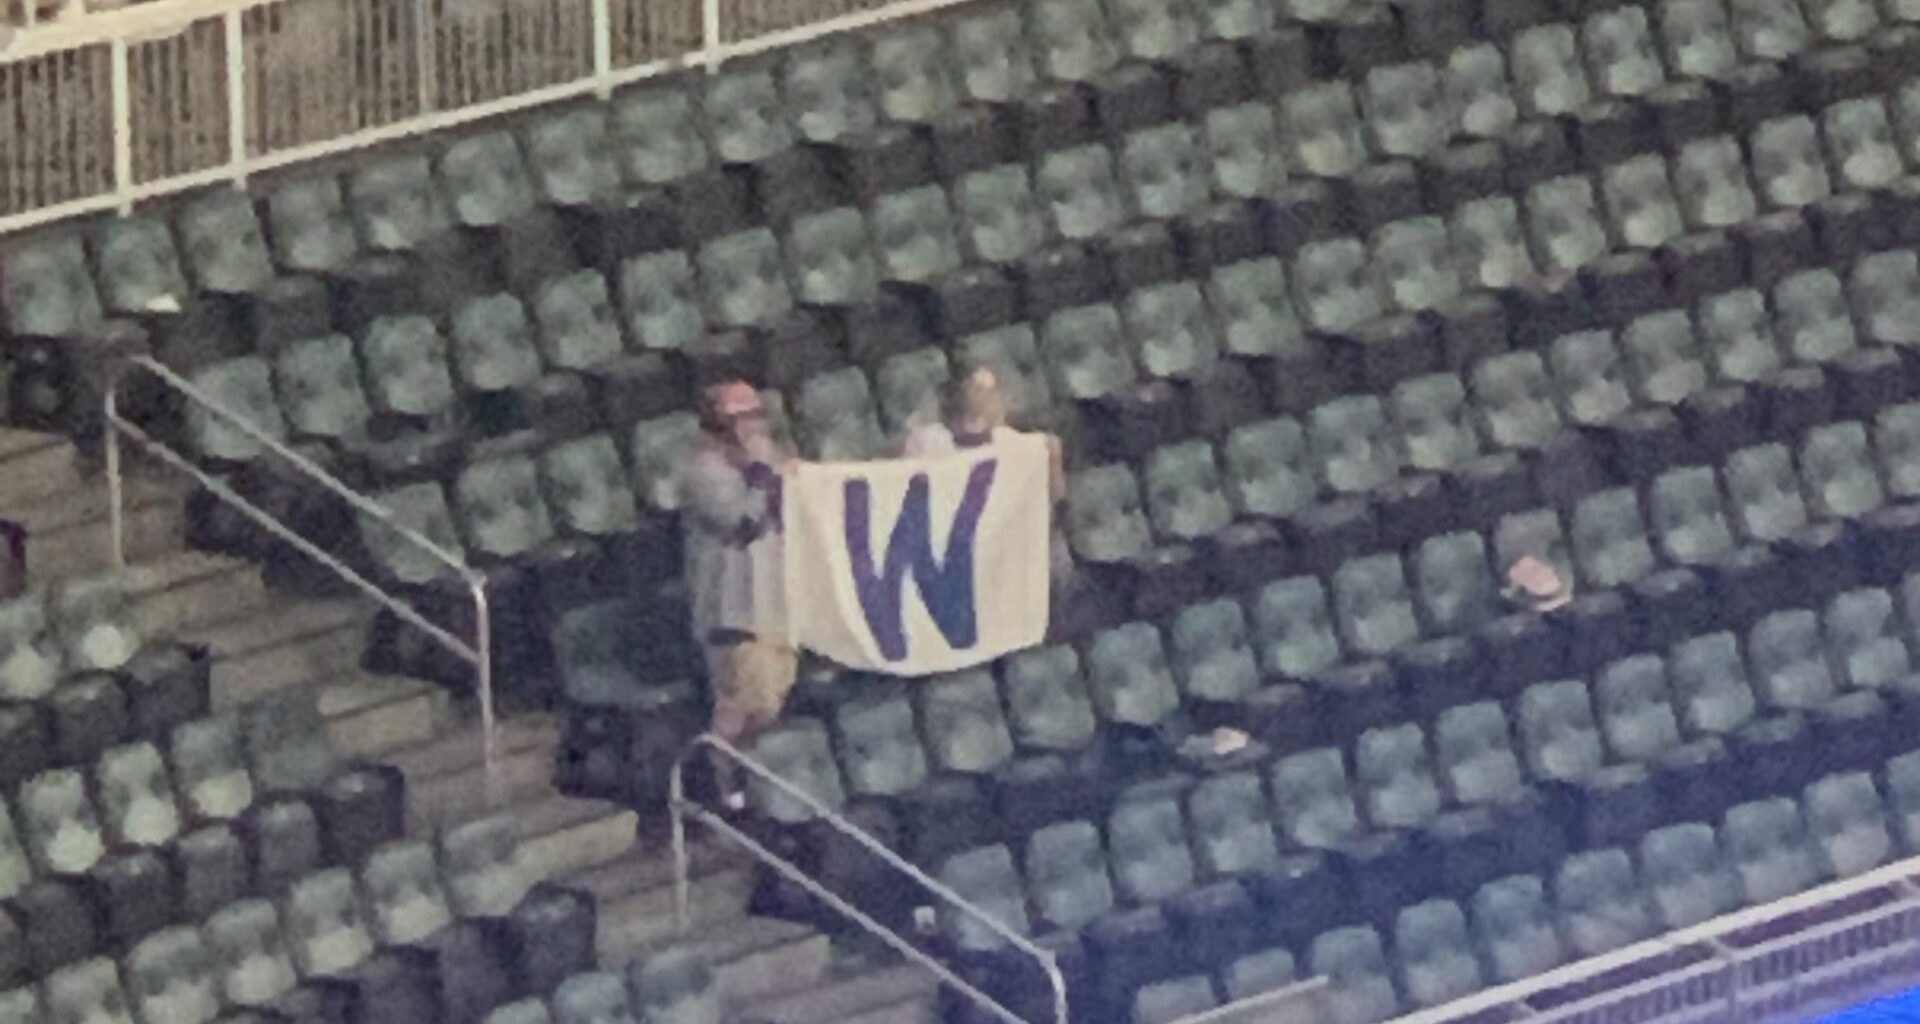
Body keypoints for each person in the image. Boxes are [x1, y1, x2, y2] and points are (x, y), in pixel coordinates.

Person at [679, 380, 799, 805]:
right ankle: (713, 785)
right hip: (731, 610)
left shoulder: (768, 461)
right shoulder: (703, 472)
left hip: (774, 604)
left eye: (755, 414)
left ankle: (745, 786)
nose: (752, 425)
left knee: (771, 705)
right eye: (740, 417)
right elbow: (739, 519)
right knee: (744, 703)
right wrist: (760, 469)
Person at [900, 368, 1065, 500]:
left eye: (991, 393)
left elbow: (1047, 455)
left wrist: (1052, 459)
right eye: (977, 390)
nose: (986, 400)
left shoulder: (1009, 441)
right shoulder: (929, 440)